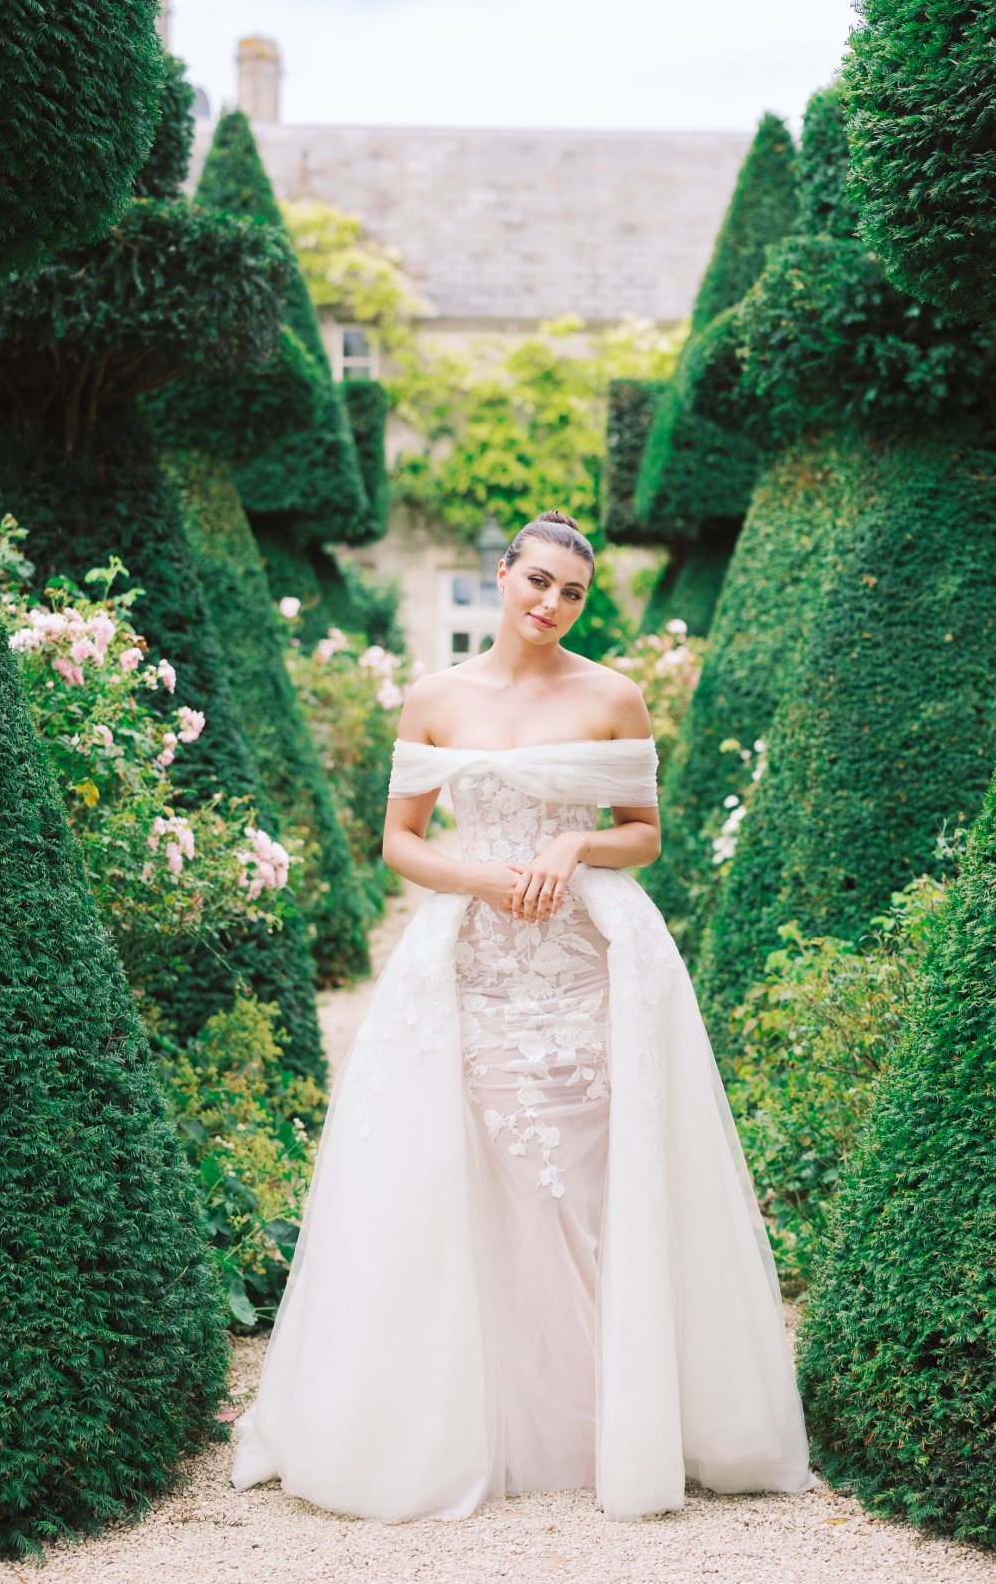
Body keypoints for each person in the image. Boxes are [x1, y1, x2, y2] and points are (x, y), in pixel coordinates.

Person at [231, 509, 813, 1520]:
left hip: (592, 965)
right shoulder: (437, 699)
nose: (550, 603)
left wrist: (570, 850)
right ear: (502, 576)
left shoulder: (613, 695)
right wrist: (483, 880)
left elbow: (644, 836)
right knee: (489, 1183)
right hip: (477, 965)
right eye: (536, 580)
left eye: (572, 591)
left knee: (590, 1186)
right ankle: (501, 1419)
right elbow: (400, 845)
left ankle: (612, 1420)